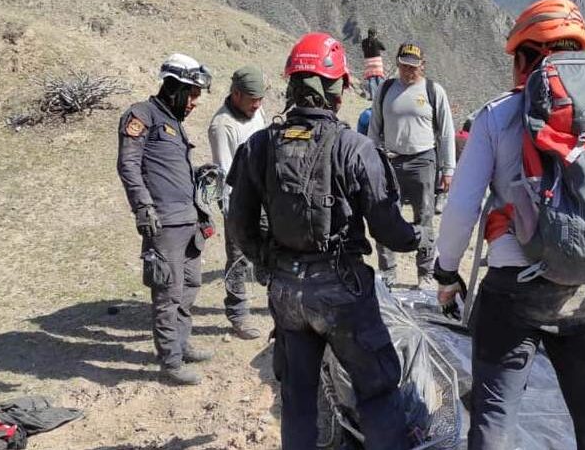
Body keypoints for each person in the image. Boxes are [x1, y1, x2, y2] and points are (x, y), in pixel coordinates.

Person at [433, 0, 585, 449]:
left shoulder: (498, 115)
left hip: (512, 287)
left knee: (495, 414)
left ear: (523, 58)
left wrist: (447, 271)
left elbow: (462, 205)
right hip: (583, 292)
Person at [226, 32, 426, 450]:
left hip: (286, 293)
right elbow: (388, 229)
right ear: (336, 90)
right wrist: (419, 239)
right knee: (377, 390)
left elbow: (239, 225)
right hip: (343, 292)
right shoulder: (355, 148)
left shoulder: (259, 145)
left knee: (298, 397)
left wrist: (269, 261)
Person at [117, 53, 214, 385]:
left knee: (189, 286)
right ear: (176, 88)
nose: (195, 103)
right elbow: (128, 165)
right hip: (164, 224)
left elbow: (171, 170)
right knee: (167, 294)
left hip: (189, 220)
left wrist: (201, 174)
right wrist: (143, 208)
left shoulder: (174, 123)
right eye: (193, 95)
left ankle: (182, 344)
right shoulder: (141, 115)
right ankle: (170, 362)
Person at [368, 41, 455, 289]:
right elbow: (374, 127)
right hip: (390, 162)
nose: (409, 72)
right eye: (404, 66)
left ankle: (425, 274)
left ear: (423, 66)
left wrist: (448, 169)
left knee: (424, 219)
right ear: (397, 64)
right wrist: (371, 159)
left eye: (414, 67)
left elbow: (447, 132)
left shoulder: (432, 90)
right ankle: (388, 272)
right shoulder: (385, 90)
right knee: (385, 216)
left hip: (423, 161)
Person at [208, 65, 268, 340]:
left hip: (265, 196)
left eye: (260, 99)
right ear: (235, 94)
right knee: (238, 259)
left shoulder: (256, 113)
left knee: (271, 251)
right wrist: (236, 217)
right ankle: (238, 314)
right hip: (240, 203)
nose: (257, 105)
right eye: (252, 99)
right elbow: (225, 174)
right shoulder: (223, 126)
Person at [361, 28, 386, 100]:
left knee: (371, 79)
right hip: (377, 61)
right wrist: (376, 39)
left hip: (368, 62)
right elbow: (383, 48)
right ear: (375, 34)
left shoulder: (364, 41)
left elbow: (363, 49)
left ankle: (373, 96)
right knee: (379, 78)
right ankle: (381, 95)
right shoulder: (376, 41)